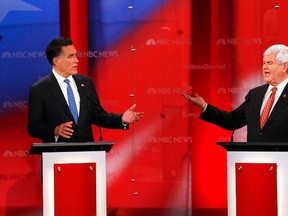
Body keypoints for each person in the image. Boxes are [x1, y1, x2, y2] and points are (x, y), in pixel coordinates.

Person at [27, 37, 144, 143]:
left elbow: (98, 116)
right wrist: (55, 130)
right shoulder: (40, 89)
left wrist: (121, 119)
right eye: (70, 56)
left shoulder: (86, 83)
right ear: (56, 61)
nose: (76, 60)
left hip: (87, 154)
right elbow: (33, 127)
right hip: (56, 155)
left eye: (75, 55)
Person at [182, 44, 288, 142]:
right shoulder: (255, 94)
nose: (264, 67)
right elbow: (232, 120)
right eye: (263, 63)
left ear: (284, 67)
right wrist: (204, 106)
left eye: (269, 63)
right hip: (254, 159)